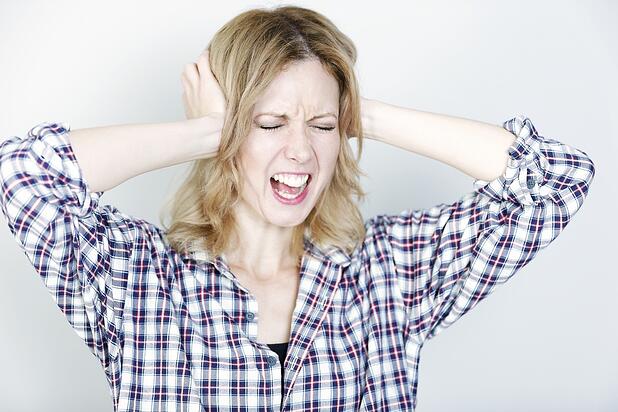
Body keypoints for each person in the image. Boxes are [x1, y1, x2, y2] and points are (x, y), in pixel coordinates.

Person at [0, 5, 596, 412]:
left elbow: (558, 177)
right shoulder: (134, 276)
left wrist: (360, 109)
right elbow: (21, 172)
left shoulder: (388, 273)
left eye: (323, 125)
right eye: (269, 122)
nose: (301, 151)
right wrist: (208, 132)